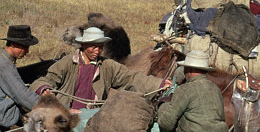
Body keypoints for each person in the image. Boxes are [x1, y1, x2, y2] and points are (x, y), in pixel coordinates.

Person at [30, 26, 170, 107]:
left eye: (100, 47)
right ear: (83, 45)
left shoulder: (107, 66)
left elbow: (130, 78)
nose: (97, 50)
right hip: (65, 114)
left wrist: (159, 84)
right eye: (93, 47)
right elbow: (46, 79)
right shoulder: (67, 63)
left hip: (93, 116)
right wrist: (44, 89)